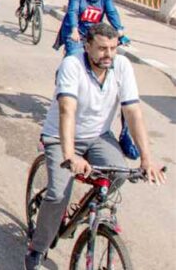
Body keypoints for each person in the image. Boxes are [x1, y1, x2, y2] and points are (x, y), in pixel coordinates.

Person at [24, 23, 166, 270]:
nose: (108, 54)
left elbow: (133, 111)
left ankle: (81, 209)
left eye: (112, 48)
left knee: (120, 173)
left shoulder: (122, 66)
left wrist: (146, 159)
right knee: (57, 195)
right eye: (101, 48)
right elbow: (67, 109)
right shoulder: (72, 65)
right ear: (87, 46)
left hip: (99, 136)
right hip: (61, 137)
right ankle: (37, 248)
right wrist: (70, 155)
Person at [53, 0, 127, 56]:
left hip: (93, 32)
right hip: (75, 30)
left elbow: (111, 12)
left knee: (101, 57)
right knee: (75, 55)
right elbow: (73, 11)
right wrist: (74, 29)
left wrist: (119, 29)